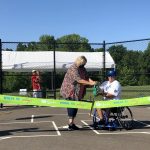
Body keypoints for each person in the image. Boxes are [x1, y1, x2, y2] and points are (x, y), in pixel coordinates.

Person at [60, 56, 97, 130]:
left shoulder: (82, 68)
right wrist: (90, 83)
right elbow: (79, 80)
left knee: (76, 105)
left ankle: (72, 123)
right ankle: (70, 124)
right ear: (79, 62)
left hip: (77, 91)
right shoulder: (73, 68)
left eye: (85, 64)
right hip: (69, 90)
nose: (84, 65)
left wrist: (92, 81)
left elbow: (86, 77)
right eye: (83, 63)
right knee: (72, 105)